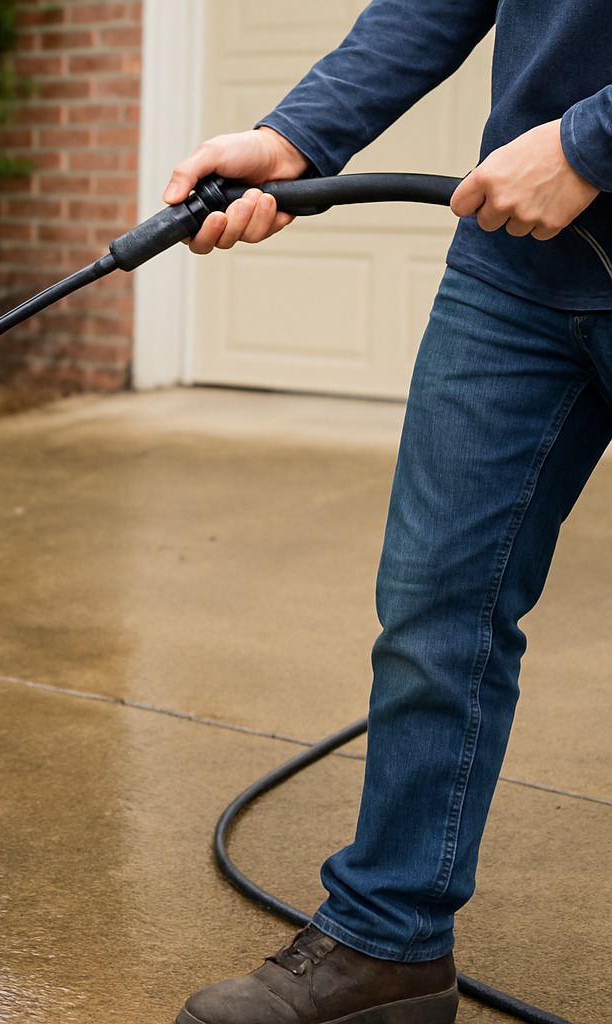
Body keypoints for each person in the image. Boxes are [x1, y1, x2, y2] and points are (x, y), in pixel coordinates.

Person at [165, 3, 611, 1023]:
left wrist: (592, 139)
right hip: (521, 277)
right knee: (435, 606)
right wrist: (296, 137)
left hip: (568, 180)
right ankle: (387, 942)